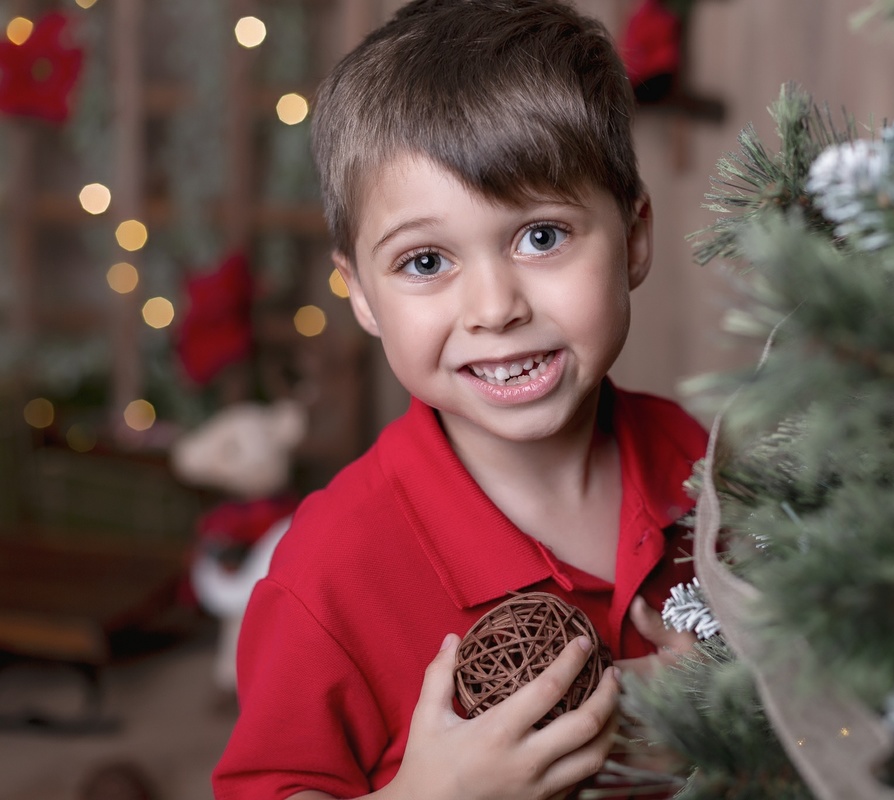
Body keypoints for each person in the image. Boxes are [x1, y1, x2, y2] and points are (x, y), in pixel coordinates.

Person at [212, 1, 707, 798]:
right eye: (426, 260)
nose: (493, 307)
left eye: (541, 236)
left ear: (635, 237)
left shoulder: (698, 465)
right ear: (362, 296)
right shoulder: (329, 572)